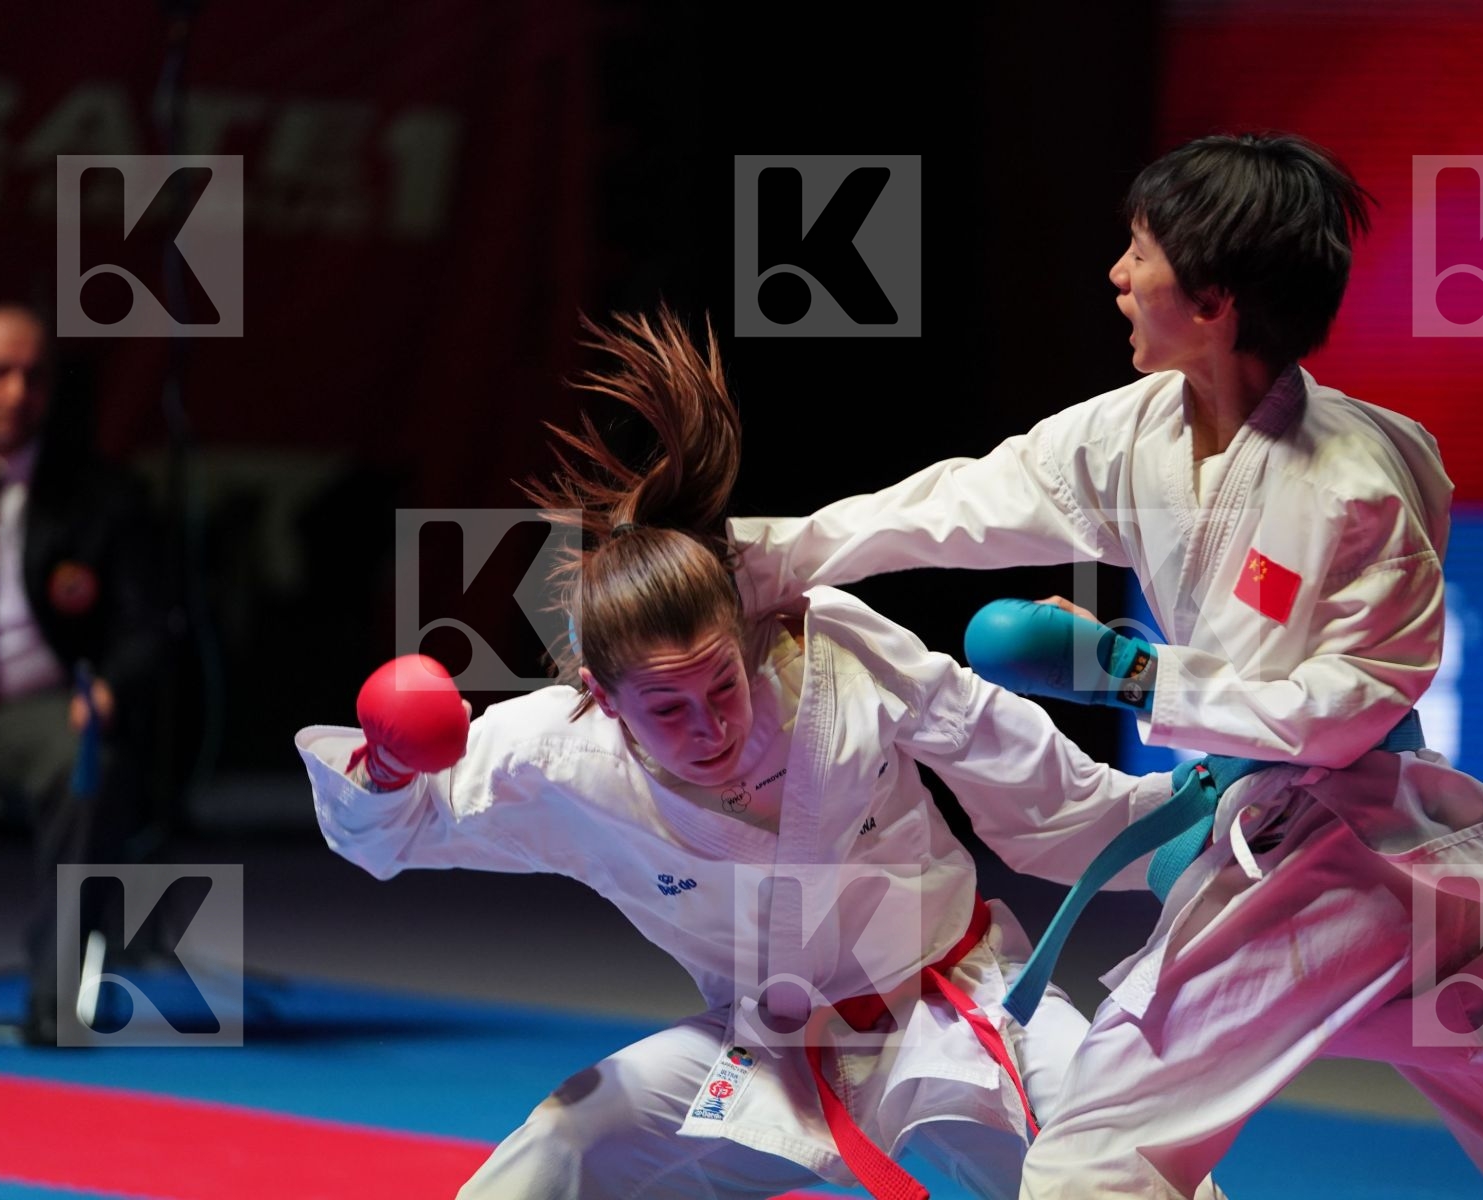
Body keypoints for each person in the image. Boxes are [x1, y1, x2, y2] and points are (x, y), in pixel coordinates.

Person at [730, 134, 1483, 1198]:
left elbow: (1356, 704)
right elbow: (957, 503)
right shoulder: (1139, 431)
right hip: (1353, 868)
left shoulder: (1355, 481)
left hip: (1339, 850)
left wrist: (1136, 676)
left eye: (1140, 253)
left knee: (1100, 1148)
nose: (1117, 274)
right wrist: (756, 557)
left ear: (1214, 303)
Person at [296, 308, 1187, 1200]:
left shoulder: (835, 653)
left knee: (1122, 1173)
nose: (710, 725)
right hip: (773, 1050)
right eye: (668, 707)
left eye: (723, 684)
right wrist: (388, 765)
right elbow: (390, 831)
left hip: (956, 1000)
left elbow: (1040, 788)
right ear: (603, 699)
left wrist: (1196, 816)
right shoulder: (559, 753)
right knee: (563, 1145)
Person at [0, 303, 163, 1045]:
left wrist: (107, 688)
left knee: (85, 761)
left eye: (34, 377)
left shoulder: (101, 495)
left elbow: (147, 626)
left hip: (36, 710)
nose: (15, 393)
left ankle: (59, 1000)